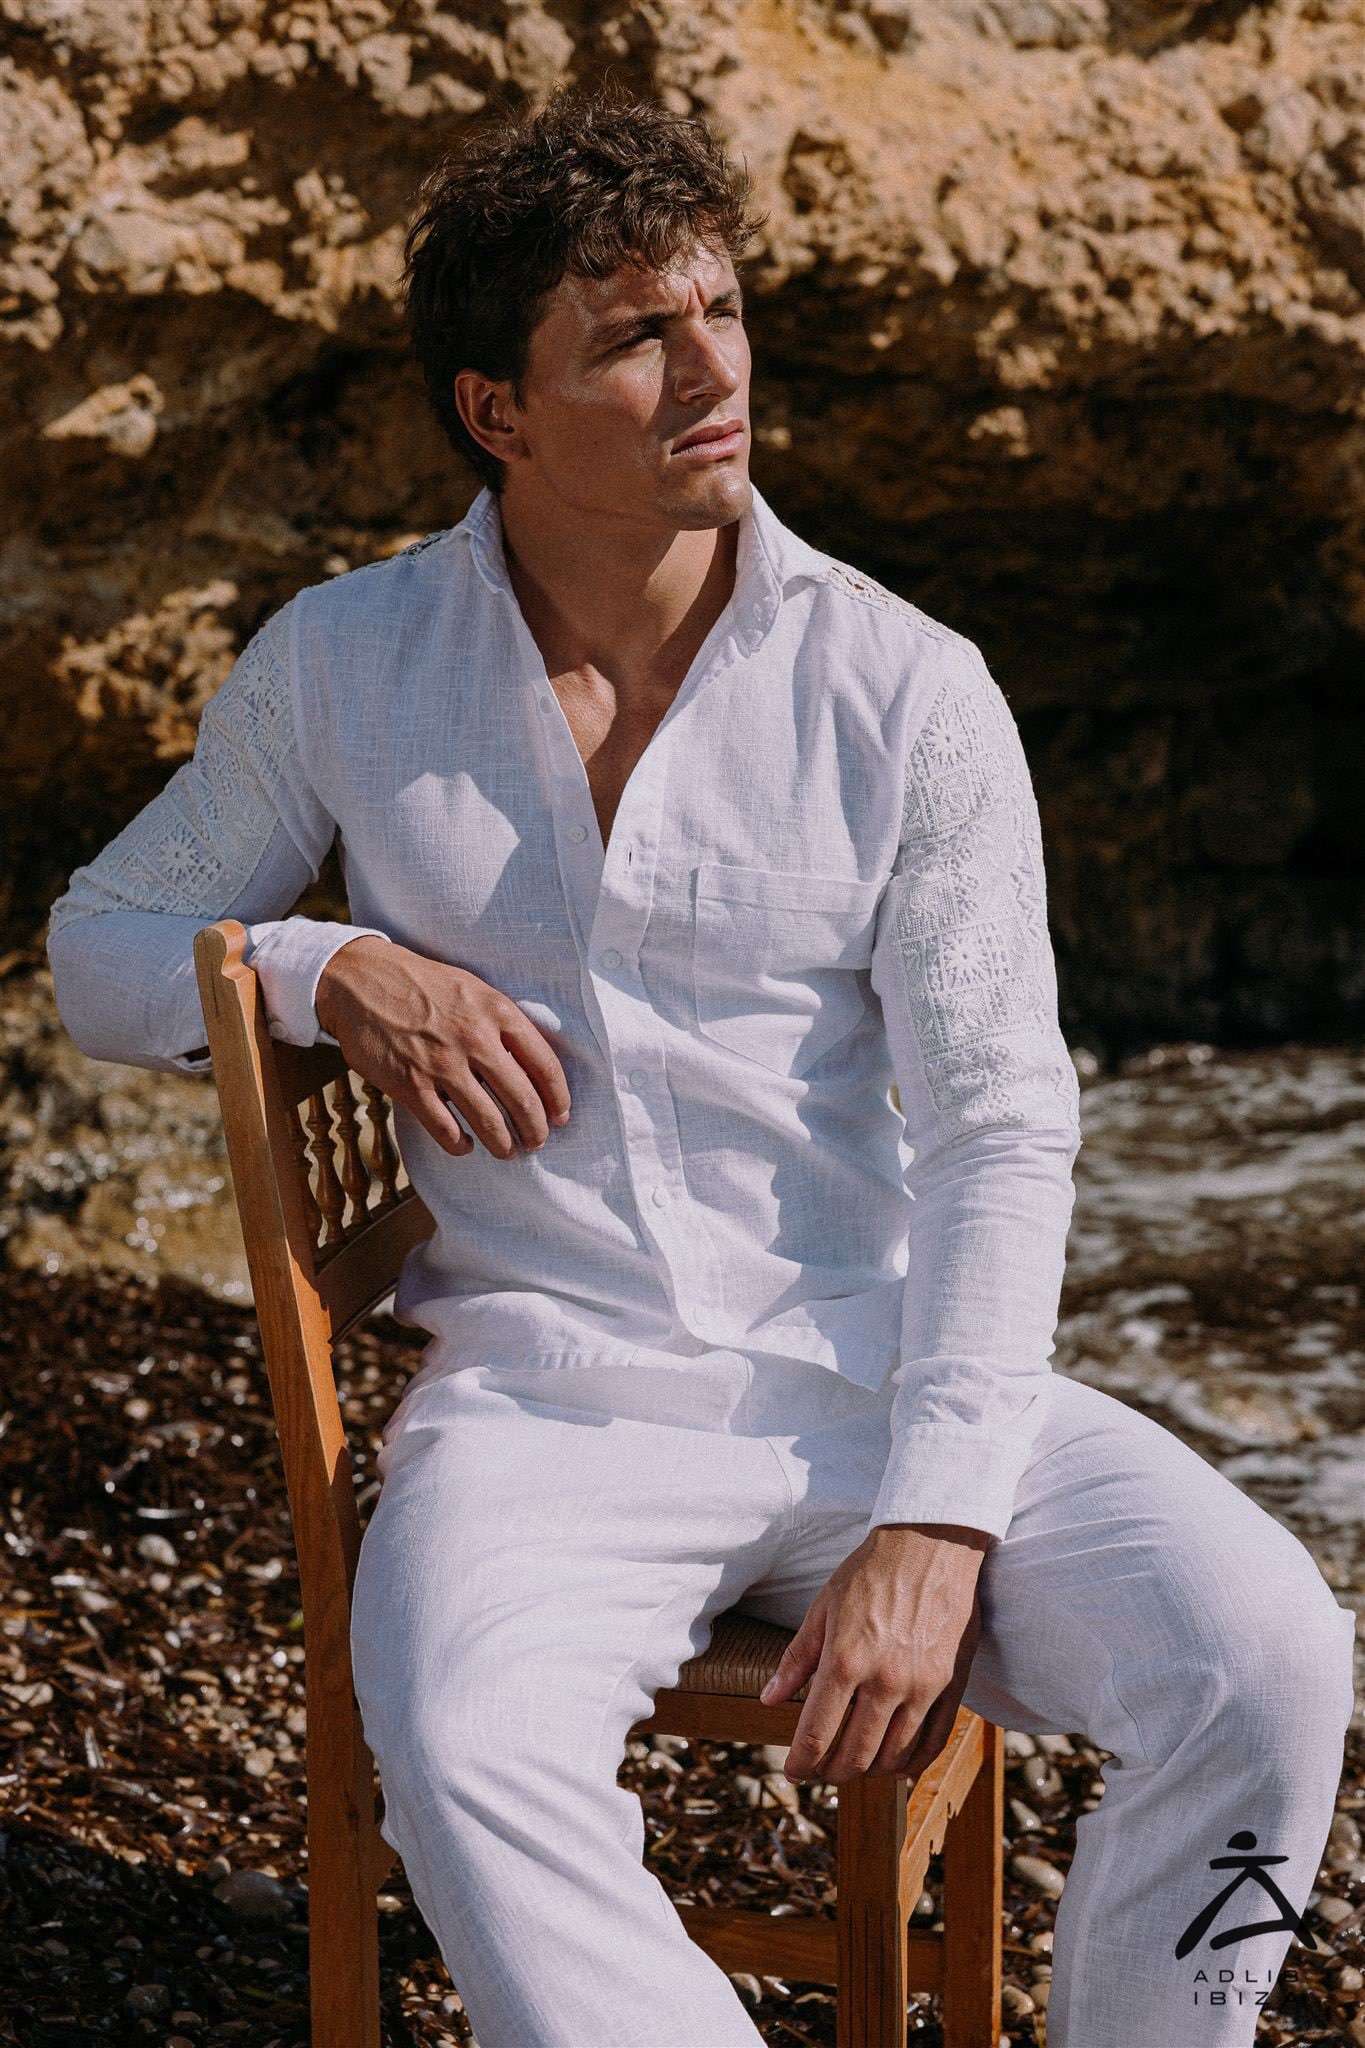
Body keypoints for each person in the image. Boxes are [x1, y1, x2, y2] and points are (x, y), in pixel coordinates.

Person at [46, 78, 1354, 2048]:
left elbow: (1001, 1125)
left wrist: (937, 1517)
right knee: (464, 1739)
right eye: (635, 335)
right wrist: (331, 968)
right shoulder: (345, 665)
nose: (713, 368)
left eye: (721, 310)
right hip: (548, 1403)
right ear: (497, 409)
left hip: (876, 1367)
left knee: (1268, 1658)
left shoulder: (901, 686)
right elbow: (101, 950)